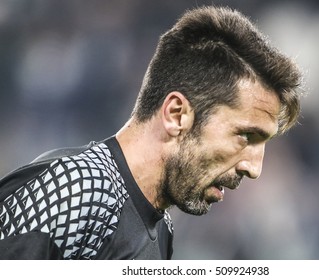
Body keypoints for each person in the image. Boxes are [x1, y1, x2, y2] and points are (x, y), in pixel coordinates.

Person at [0, 6, 303, 259]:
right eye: (245, 136)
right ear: (176, 115)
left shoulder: (161, 231)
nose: (254, 168)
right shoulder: (79, 188)